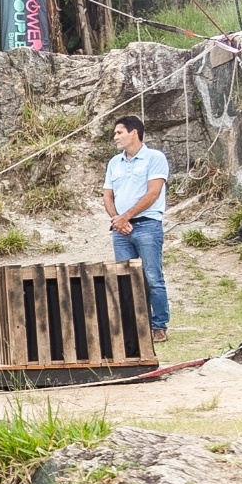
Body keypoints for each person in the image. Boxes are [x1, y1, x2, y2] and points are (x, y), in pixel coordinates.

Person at [103, 115, 170, 344]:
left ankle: (158, 326)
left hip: (147, 225)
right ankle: (132, 328)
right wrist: (116, 219)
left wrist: (125, 217)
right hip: (121, 231)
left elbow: (153, 193)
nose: (115, 137)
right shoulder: (114, 163)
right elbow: (107, 195)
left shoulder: (155, 158)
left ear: (134, 132)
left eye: (119, 132)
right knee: (125, 279)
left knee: (153, 277)